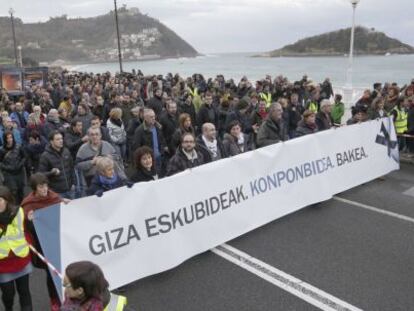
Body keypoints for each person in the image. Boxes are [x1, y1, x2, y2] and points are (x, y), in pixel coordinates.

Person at [21, 173, 68, 311]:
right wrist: (29, 220)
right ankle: (54, 299)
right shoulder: (29, 204)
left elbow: (62, 213)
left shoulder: (54, 197)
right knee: (51, 273)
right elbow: (25, 228)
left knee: (66, 270)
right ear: (34, 189)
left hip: (59, 240)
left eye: (45, 185)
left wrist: (66, 204)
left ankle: (67, 296)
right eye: (40, 187)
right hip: (44, 244)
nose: (44, 189)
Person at [0, 186, 33, 311]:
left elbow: (24, 230)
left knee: (24, 292)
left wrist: (30, 221)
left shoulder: (18, 211)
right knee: (8, 295)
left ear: (7, 200)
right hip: (3, 264)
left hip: (20, 259)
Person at [38, 131, 75, 200]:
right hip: (57, 192)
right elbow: (41, 174)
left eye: (61, 139)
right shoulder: (45, 156)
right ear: (51, 141)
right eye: (58, 139)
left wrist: (73, 183)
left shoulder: (66, 151)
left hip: (70, 189)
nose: (61, 141)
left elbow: (72, 168)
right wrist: (52, 173)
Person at [132, 108, 168, 175]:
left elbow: (162, 139)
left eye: (154, 116)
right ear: (145, 118)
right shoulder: (139, 130)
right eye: (151, 117)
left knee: (159, 175)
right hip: (148, 160)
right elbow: (136, 147)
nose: (153, 118)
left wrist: (163, 149)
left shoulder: (158, 126)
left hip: (159, 156)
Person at [0, 131, 26, 204]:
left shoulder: (18, 146)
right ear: (5, 139)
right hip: (9, 174)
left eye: (11, 137)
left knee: (21, 190)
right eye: (7, 138)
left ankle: (23, 205)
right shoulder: (2, 150)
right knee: (13, 192)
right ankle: (15, 207)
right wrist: (7, 168)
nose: (9, 139)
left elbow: (24, 157)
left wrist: (20, 164)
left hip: (19, 171)